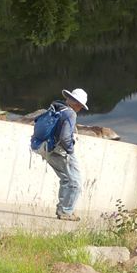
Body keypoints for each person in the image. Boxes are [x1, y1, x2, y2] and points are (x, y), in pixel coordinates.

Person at [46, 88, 88, 221]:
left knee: (65, 179)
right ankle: (67, 212)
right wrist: (70, 150)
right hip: (61, 152)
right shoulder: (70, 114)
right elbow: (65, 137)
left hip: (47, 149)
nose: (79, 109)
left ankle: (62, 209)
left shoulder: (55, 107)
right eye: (80, 107)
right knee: (76, 182)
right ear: (78, 104)